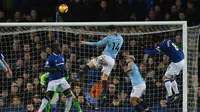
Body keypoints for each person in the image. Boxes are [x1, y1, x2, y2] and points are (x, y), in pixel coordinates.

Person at [80, 25, 123, 104]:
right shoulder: (121, 38)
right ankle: (104, 94)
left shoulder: (108, 38)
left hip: (106, 57)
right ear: (116, 30)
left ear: (109, 31)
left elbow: (97, 44)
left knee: (89, 64)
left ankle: (78, 76)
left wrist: (85, 42)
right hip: (112, 60)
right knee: (104, 78)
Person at [144, 39, 184, 104]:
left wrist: (144, 49)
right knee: (171, 78)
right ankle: (177, 94)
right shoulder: (169, 41)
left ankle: (170, 95)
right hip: (181, 61)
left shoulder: (163, 45)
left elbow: (151, 52)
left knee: (164, 78)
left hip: (177, 62)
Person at [38, 44, 73, 112]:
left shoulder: (62, 55)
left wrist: (64, 70)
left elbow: (62, 66)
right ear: (55, 49)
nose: (61, 48)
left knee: (69, 96)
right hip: (53, 80)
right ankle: (39, 111)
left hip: (62, 79)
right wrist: (56, 69)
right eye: (59, 47)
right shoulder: (51, 57)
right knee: (48, 97)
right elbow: (45, 69)